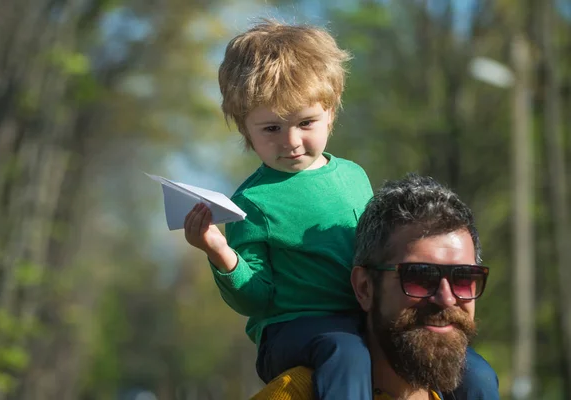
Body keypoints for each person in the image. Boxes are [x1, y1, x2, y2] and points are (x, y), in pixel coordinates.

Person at [183, 19, 498, 400]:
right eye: (271, 129)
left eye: (305, 122)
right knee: (346, 354)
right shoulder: (252, 201)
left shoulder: (353, 176)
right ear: (245, 129)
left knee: (475, 372)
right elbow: (255, 298)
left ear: (330, 112)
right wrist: (219, 253)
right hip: (294, 330)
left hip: (363, 320)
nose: (292, 141)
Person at [251, 174, 499, 400]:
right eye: (420, 277)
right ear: (364, 288)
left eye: (463, 279)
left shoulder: (475, 389)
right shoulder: (296, 394)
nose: (446, 298)